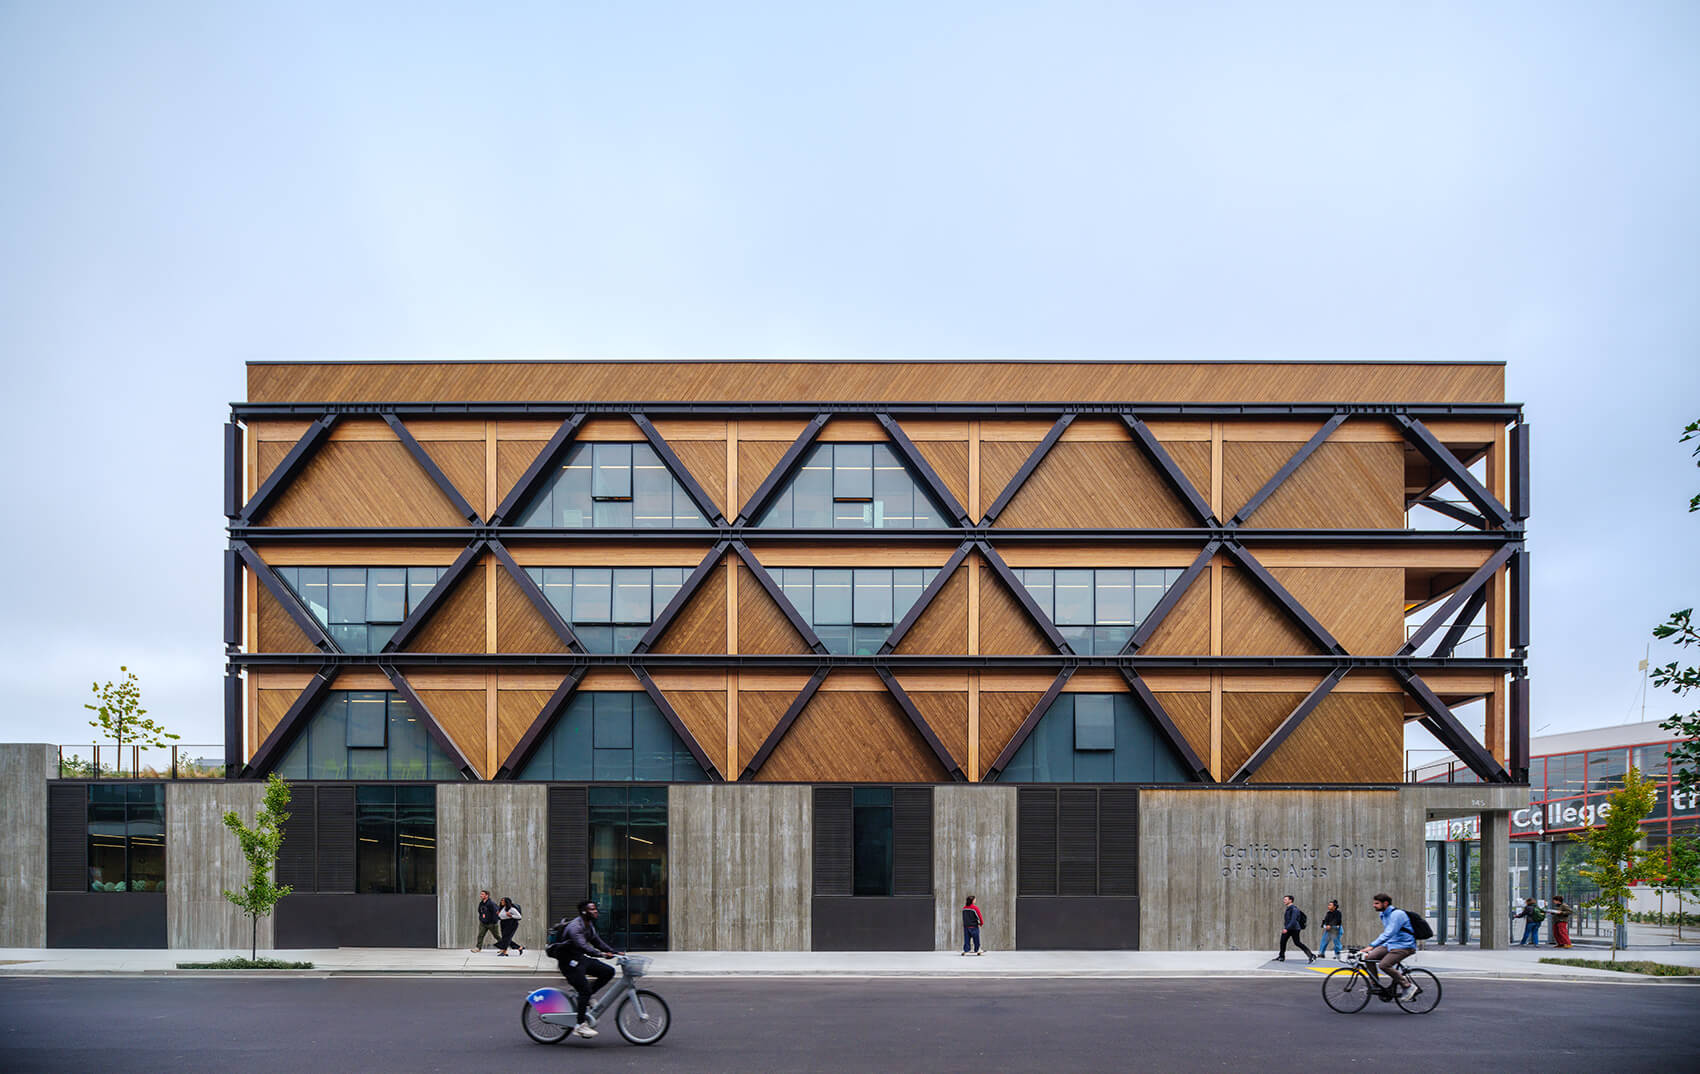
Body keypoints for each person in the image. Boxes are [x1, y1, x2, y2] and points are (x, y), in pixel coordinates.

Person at [552, 899, 620, 1038]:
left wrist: (614, 951)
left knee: (608, 971)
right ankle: (579, 1026)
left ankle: (585, 996)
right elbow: (584, 946)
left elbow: (597, 942)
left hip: (579, 959)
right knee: (584, 990)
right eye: (592, 909)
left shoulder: (589, 925)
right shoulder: (575, 927)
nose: (596, 911)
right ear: (584, 912)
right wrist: (601, 954)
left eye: (595, 909)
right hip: (568, 962)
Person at [1361, 893, 1419, 1002]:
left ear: (1385, 903)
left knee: (1384, 965)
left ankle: (1407, 986)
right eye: (1374, 903)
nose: (1374, 905)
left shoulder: (1397, 914)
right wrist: (1373, 948)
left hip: (1404, 945)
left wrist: (1372, 945)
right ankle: (1375, 985)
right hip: (1391, 944)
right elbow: (1388, 935)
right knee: (1369, 958)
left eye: (1377, 903)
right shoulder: (1383, 914)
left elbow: (1389, 932)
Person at [1277, 895, 1315, 963]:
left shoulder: (1294, 909)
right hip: (1289, 928)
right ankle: (1281, 956)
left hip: (1294, 929)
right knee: (1283, 941)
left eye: (1285, 899)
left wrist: (1286, 928)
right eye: (1284, 899)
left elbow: (1293, 920)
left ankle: (1311, 955)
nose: (1284, 901)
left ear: (1290, 900)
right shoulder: (1289, 908)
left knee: (1297, 943)